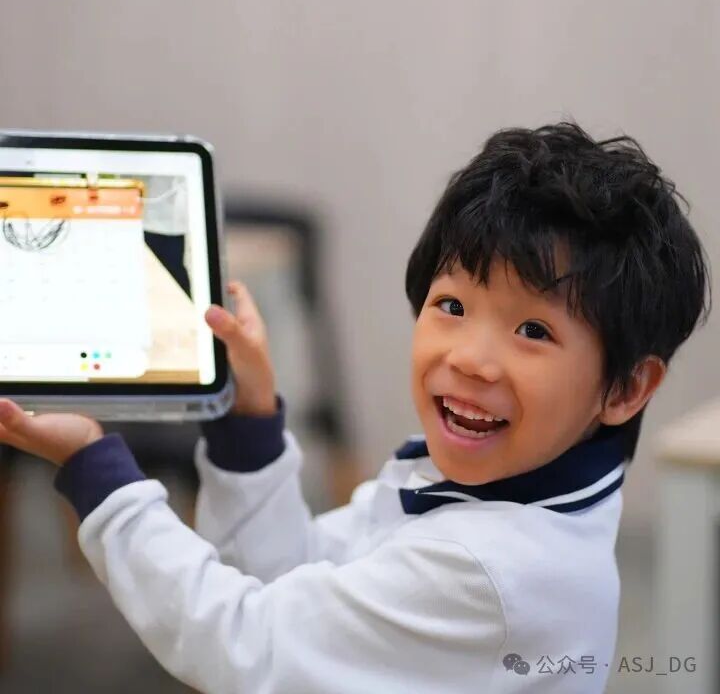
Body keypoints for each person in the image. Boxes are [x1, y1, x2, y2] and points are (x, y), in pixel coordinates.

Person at [0, 122, 711, 693]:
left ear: (626, 388)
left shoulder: (492, 571)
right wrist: (249, 425)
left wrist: (96, 472)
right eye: (452, 306)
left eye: (533, 330)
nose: (470, 358)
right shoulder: (485, 485)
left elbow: (248, 645)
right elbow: (295, 584)